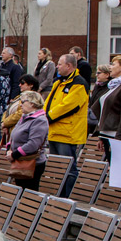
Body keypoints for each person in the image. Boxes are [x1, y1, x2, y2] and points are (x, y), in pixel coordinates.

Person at [45, 54, 89, 194]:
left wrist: (48, 117)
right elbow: (49, 102)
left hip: (68, 132)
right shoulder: (58, 82)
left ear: (69, 66)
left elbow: (68, 106)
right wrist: (43, 116)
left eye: (59, 64)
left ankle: (68, 195)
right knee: (57, 167)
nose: (57, 66)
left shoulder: (79, 83)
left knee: (68, 167)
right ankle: (58, 194)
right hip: (54, 130)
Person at [6, 91, 49, 191]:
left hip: (32, 163)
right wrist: (9, 149)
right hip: (19, 160)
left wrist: (14, 154)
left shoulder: (40, 120)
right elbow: (13, 135)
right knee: (19, 190)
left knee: (28, 193)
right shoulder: (24, 117)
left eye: (23, 102)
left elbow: (33, 144)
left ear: (32, 103)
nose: (20, 105)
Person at [92, 55, 121, 140]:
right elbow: (103, 111)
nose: (110, 67)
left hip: (114, 134)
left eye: (113, 64)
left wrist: (119, 138)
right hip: (105, 132)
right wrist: (100, 133)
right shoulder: (113, 85)